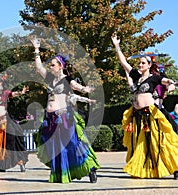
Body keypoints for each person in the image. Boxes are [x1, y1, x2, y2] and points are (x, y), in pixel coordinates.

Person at [30, 38, 100, 183]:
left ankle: (89, 168)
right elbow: (38, 68)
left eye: (53, 65)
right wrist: (36, 49)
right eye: (50, 65)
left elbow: (77, 87)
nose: (50, 67)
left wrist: (86, 89)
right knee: (53, 146)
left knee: (72, 145)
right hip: (50, 118)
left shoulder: (68, 79)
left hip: (64, 117)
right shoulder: (49, 79)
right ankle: (61, 171)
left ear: (60, 66)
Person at [111, 33, 178, 180]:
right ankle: (144, 169)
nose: (140, 65)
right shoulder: (136, 77)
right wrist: (117, 46)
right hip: (137, 115)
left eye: (143, 63)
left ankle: (173, 165)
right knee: (140, 144)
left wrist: (171, 84)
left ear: (149, 65)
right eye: (139, 63)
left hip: (151, 114)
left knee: (157, 142)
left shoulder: (154, 78)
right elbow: (124, 63)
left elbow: (166, 81)